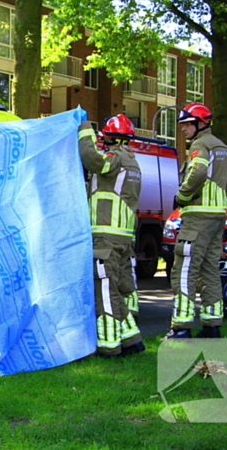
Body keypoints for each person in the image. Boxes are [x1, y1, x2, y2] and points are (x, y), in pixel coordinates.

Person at [166, 103, 227, 339]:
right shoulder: (221, 147)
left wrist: (182, 196)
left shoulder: (200, 145)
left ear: (201, 124)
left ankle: (181, 328)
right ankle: (212, 326)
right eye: (182, 125)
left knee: (184, 271)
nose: (183, 129)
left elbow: (197, 173)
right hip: (218, 216)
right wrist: (220, 193)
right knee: (210, 270)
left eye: (187, 124)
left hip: (197, 217)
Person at [78, 114, 144, 357]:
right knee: (114, 289)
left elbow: (90, 158)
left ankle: (108, 347)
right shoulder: (133, 161)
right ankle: (132, 340)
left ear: (109, 137)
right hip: (122, 237)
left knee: (103, 291)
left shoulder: (114, 158)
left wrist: (85, 129)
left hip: (106, 236)